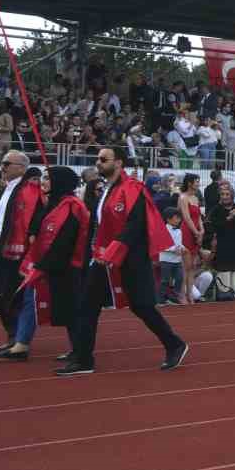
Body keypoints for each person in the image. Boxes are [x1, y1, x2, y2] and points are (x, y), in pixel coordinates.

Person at [64, 147, 188, 376]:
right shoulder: (107, 190)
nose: (98, 163)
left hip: (129, 258)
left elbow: (135, 225)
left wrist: (114, 251)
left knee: (142, 307)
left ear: (119, 162)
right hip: (102, 258)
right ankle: (82, 358)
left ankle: (174, 344)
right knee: (87, 305)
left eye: (103, 159)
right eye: (97, 159)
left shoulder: (132, 189)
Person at [14, 166, 90, 360]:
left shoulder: (72, 205)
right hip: (53, 266)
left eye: (48, 178)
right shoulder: (53, 203)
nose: (43, 182)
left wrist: (44, 265)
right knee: (66, 311)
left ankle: (81, 353)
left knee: (72, 311)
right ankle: (77, 350)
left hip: (68, 267)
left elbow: (65, 240)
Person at [0, 150, 44, 358]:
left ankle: (19, 341)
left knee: (12, 295)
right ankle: (13, 336)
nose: (2, 167)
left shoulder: (29, 189)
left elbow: (34, 217)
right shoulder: (8, 189)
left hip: (19, 249)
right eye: (3, 163)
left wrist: (30, 240)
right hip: (2, 245)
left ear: (21, 167)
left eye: (6, 163)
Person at [206, 181, 235, 299]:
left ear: (231, 195)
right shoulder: (216, 210)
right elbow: (214, 226)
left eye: (227, 194)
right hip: (222, 245)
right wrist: (229, 218)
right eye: (222, 194)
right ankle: (223, 294)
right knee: (224, 270)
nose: (224, 197)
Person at [178, 173, 205, 304]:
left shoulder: (195, 198)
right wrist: (196, 232)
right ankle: (182, 294)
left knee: (192, 266)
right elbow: (186, 217)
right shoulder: (183, 198)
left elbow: (198, 216)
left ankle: (190, 294)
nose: (198, 184)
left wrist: (202, 230)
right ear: (190, 183)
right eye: (196, 181)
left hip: (196, 232)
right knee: (186, 265)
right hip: (187, 232)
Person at [158, 209, 187, 306]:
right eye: (176, 218)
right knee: (165, 280)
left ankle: (173, 297)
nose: (178, 220)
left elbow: (179, 243)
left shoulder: (179, 231)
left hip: (177, 260)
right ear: (168, 219)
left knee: (180, 277)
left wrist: (183, 248)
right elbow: (162, 245)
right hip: (166, 259)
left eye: (179, 218)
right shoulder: (163, 230)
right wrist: (174, 249)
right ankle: (161, 299)